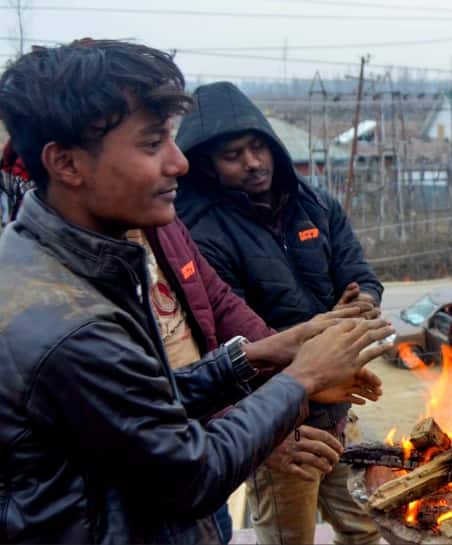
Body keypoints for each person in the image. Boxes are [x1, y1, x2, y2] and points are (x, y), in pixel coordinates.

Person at [0, 39, 393, 543]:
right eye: (151, 144)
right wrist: (300, 378)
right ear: (67, 164)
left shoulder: (65, 261)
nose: (178, 163)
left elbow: (142, 405)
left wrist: (257, 356)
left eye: (171, 140)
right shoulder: (70, 319)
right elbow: (190, 472)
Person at [175, 81, 384, 545]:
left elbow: (360, 273)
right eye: (234, 155)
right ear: (207, 163)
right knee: (290, 537)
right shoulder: (202, 233)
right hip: (276, 422)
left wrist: (362, 305)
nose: (252, 163)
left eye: (258, 147)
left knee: (367, 526)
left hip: (339, 407)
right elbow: (230, 336)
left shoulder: (314, 203)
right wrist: (275, 423)